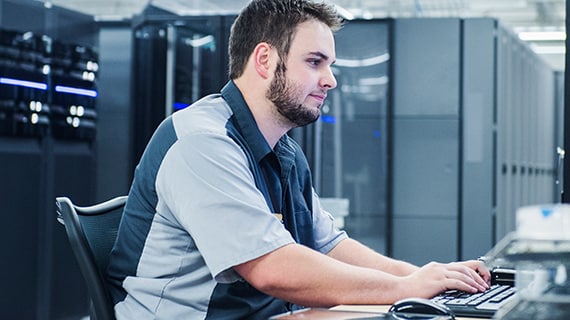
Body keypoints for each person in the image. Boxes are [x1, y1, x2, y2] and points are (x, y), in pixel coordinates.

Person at [107, 0, 491, 318]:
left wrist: (425, 280)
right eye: (314, 62)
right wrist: (403, 288)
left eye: (330, 65)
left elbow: (328, 246)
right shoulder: (202, 142)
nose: (330, 80)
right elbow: (272, 268)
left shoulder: (282, 149)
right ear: (264, 60)